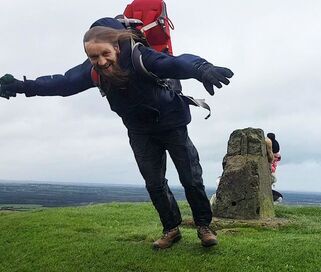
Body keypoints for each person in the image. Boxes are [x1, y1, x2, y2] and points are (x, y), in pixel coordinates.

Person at [0, 18, 234, 249]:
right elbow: (62, 84)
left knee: (190, 178)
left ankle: (204, 227)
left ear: (116, 47)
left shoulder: (141, 57)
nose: (101, 61)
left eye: (105, 54)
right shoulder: (92, 71)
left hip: (171, 124)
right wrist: (22, 86)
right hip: (139, 131)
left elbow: (177, 64)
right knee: (154, 183)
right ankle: (171, 229)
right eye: (94, 57)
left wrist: (203, 69)